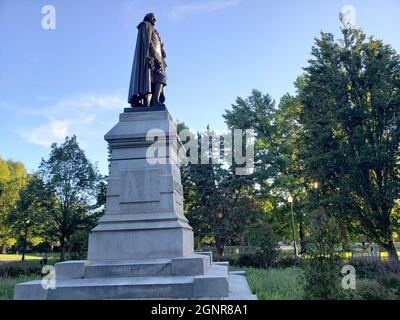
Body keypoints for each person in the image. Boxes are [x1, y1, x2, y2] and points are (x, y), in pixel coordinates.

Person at [128, 13, 167, 107]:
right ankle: (155, 100)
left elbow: (159, 45)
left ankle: (153, 101)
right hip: (152, 56)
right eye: (153, 17)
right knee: (161, 77)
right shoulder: (146, 25)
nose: (155, 20)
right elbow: (147, 41)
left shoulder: (156, 32)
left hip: (158, 56)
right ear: (148, 18)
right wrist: (153, 53)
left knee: (156, 78)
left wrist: (162, 51)